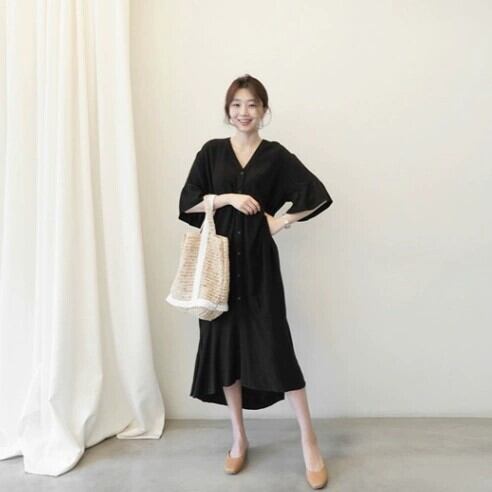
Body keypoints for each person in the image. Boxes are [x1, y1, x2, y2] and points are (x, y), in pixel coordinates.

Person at [178, 74, 333, 489]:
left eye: (252, 104)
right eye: (236, 105)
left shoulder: (275, 156)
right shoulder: (211, 153)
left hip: (260, 265)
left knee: (276, 346)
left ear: (264, 110)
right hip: (220, 266)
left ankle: (309, 442)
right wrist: (227, 198)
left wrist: (280, 221)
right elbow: (187, 203)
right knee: (225, 350)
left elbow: (316, 193)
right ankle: (238, 438)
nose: (244, 112)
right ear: (227, 110)